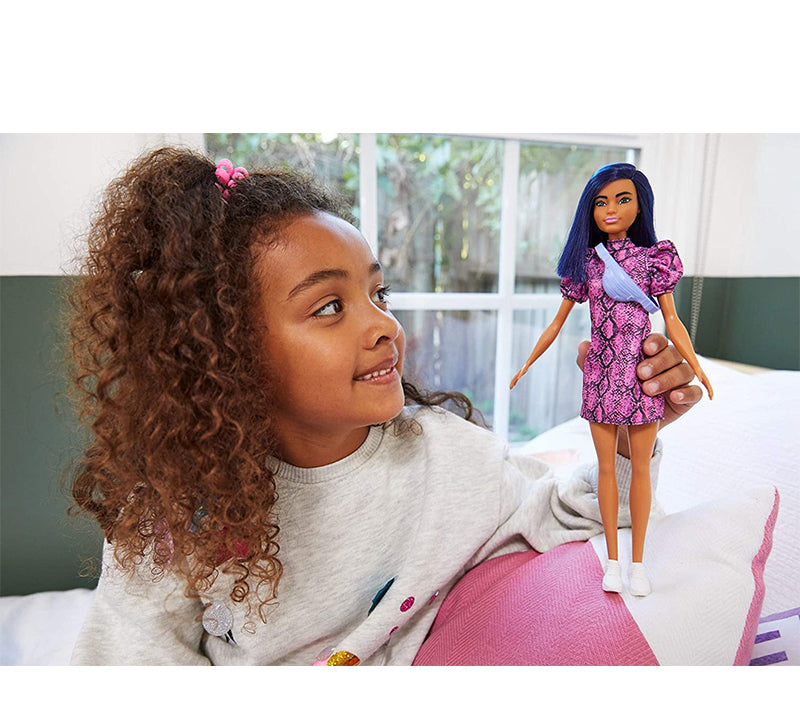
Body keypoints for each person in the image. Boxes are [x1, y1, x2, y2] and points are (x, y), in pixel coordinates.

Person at [68, 148, 703, 666]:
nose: (384, 327)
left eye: (379, 294)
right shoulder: (173, 513)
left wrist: (629, 436)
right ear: (227, 349)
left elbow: (565, 513)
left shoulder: (447, 457)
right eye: (328, 307)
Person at [510, 163, 712, 598]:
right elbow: (557, 322)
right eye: (601, 202)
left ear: (640, 206)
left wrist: (697, 366)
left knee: (639, 468)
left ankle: (639, 564)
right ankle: (614, 563)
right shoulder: (587, 263)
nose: (611, 209)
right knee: (606, 468)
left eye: (622, 199)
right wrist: (527, 362)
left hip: (639, 376)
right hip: (601, 373)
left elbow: (672, 319)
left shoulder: (653, 260)